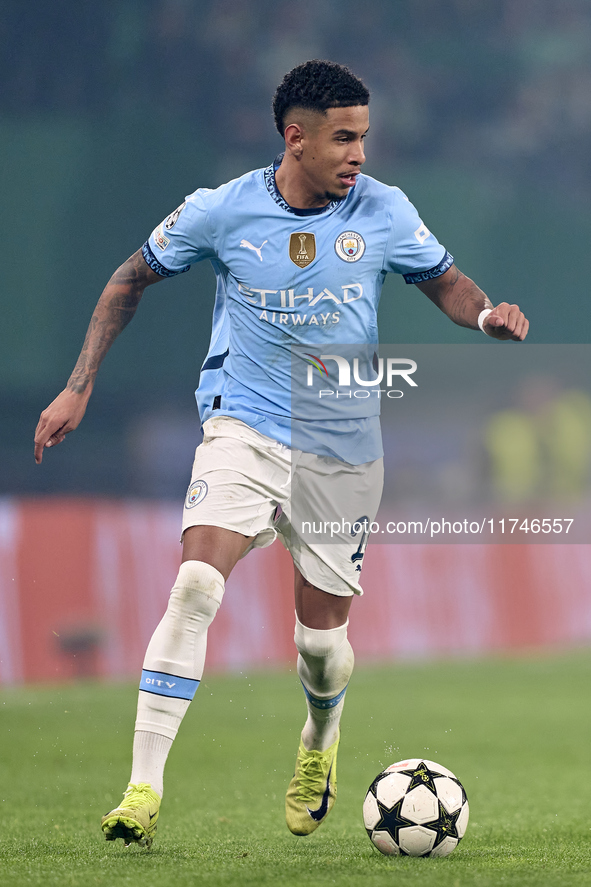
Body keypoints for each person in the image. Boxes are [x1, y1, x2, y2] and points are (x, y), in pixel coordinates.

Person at [34, 60, 529, 848]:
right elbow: (129, 279)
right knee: (195, 584)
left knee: (320, 644)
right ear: (294, 138)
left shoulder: (385, 210)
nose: (358, 154)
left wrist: (484, 317)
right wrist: (78, 385)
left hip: (340, 445)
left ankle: (318, 743)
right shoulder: (221, 210)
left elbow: (445, 280)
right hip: (244, 424)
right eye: (342, 138)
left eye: (363, 137)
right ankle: (141, 787)